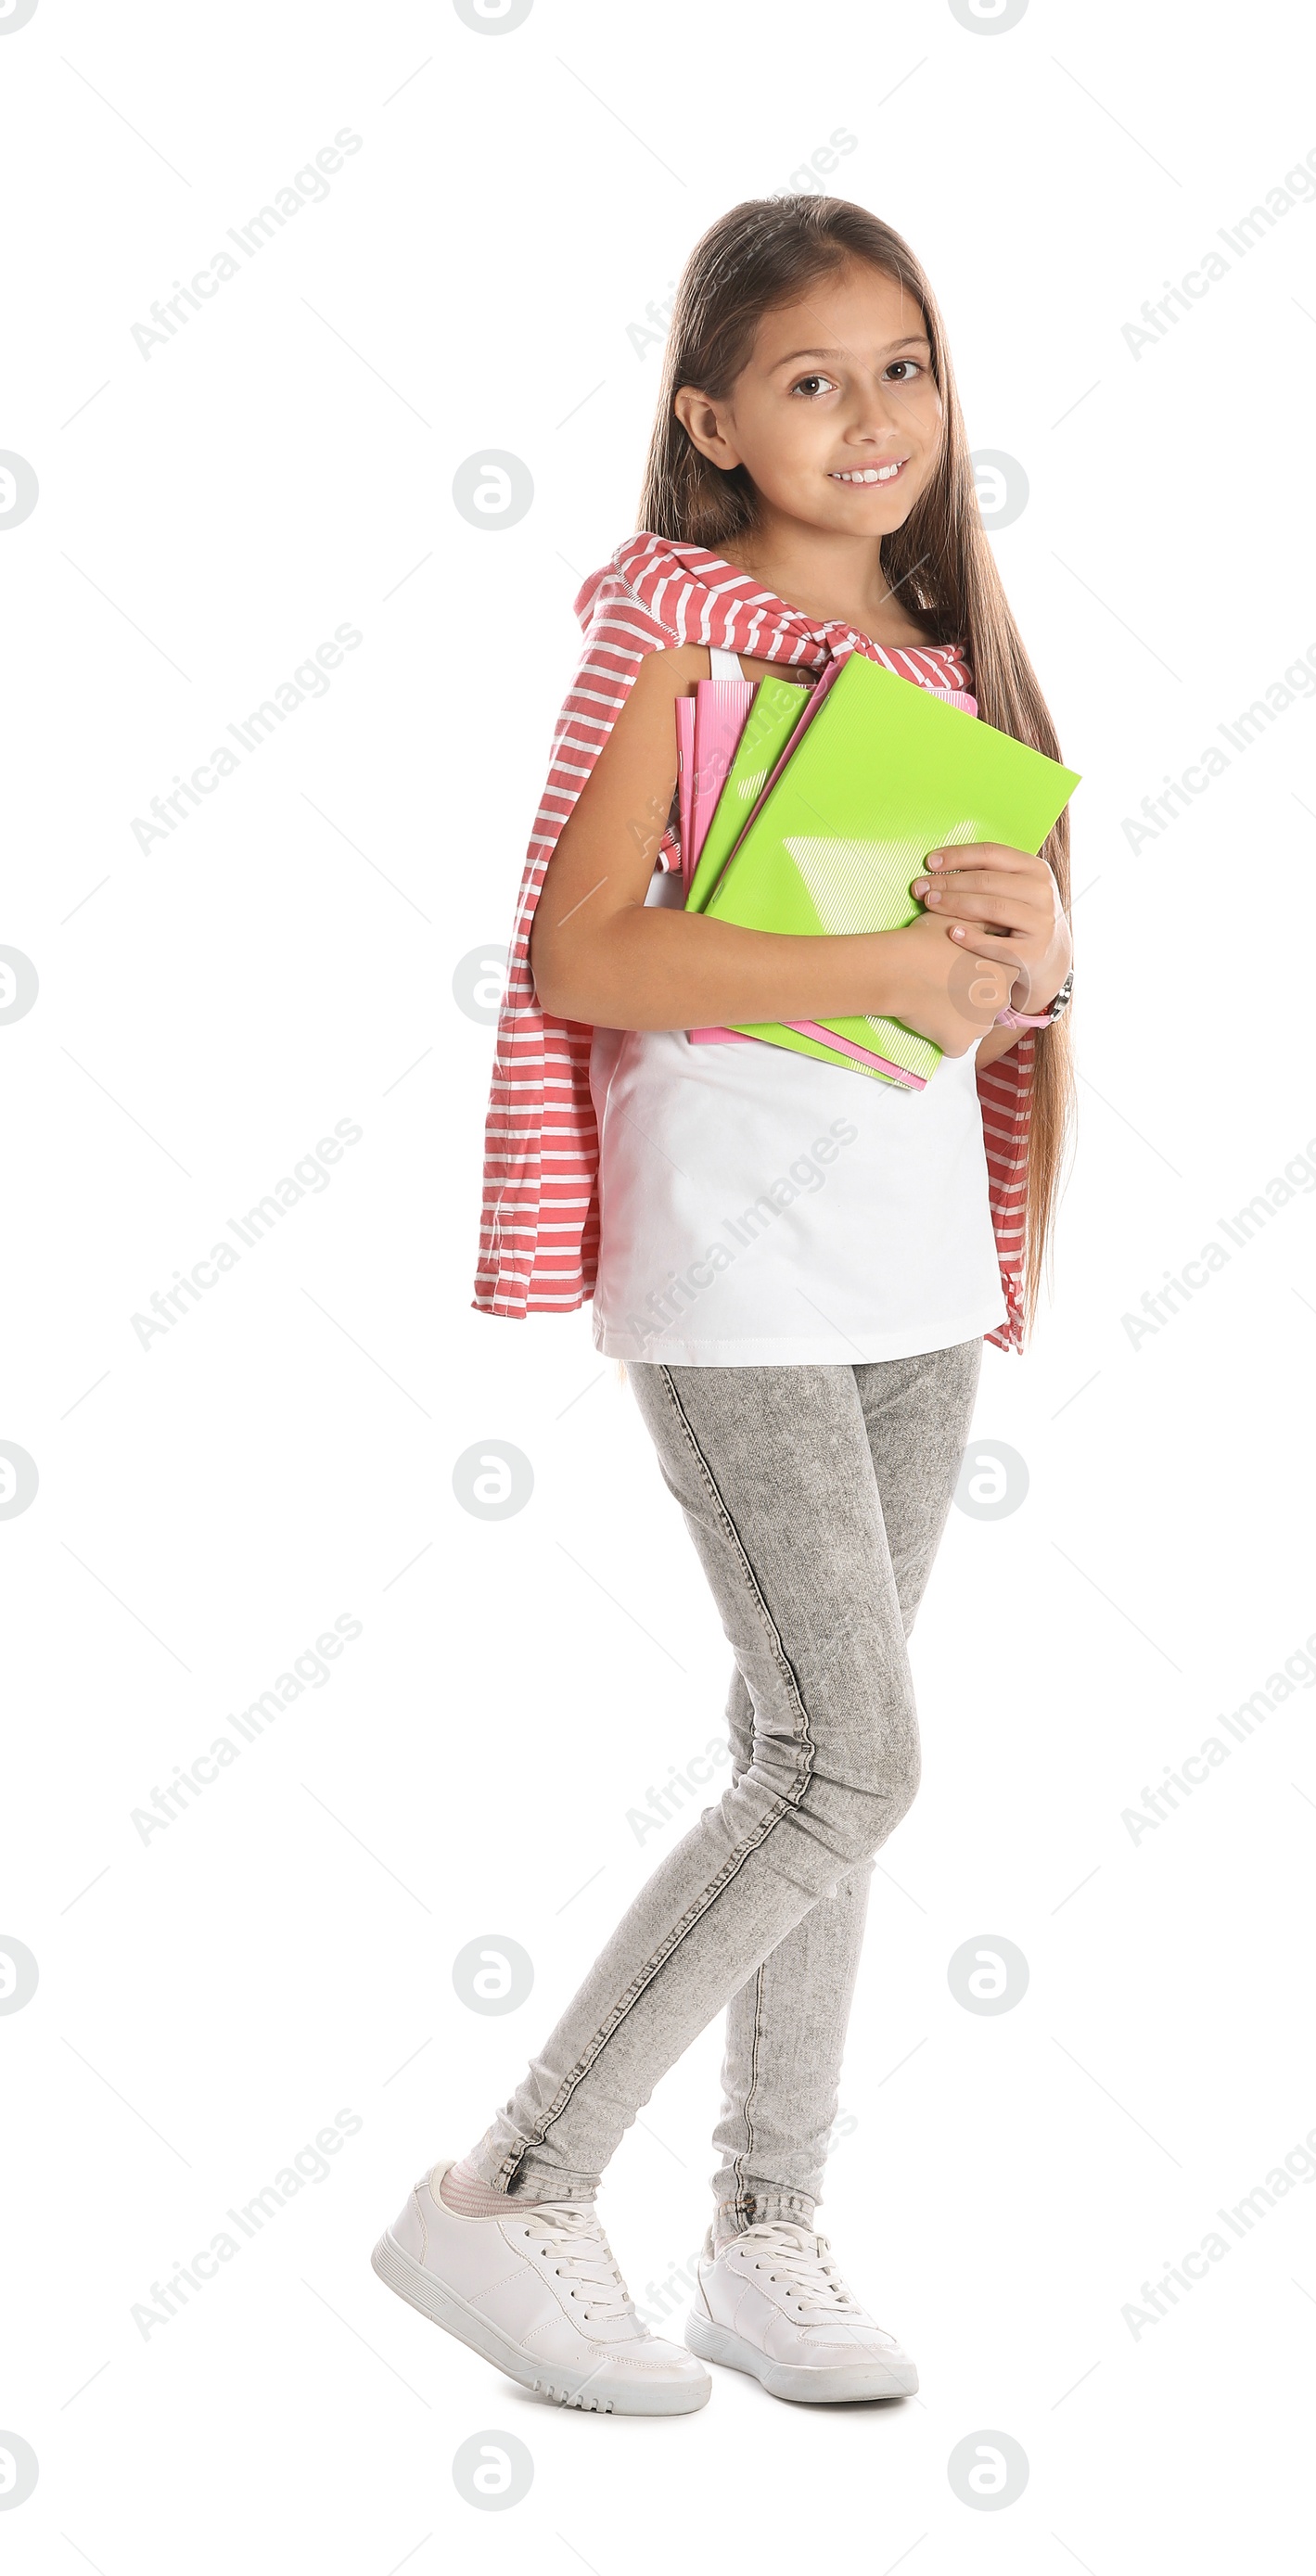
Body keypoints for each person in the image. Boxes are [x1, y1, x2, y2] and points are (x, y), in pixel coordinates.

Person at [373, 195, 1075, 2415]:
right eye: (807, 379)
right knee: (845, 1754)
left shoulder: (949, 654)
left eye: (900, 367)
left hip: (912, 1260)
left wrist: (1019, 954)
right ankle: (506, 2189)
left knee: (819, 1775)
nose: (870, 417)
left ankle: (762, 2233)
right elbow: (580, 951)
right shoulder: (678, 630)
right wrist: (881, 963)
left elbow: (986, 993)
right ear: (709, 421)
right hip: (735, 1257)